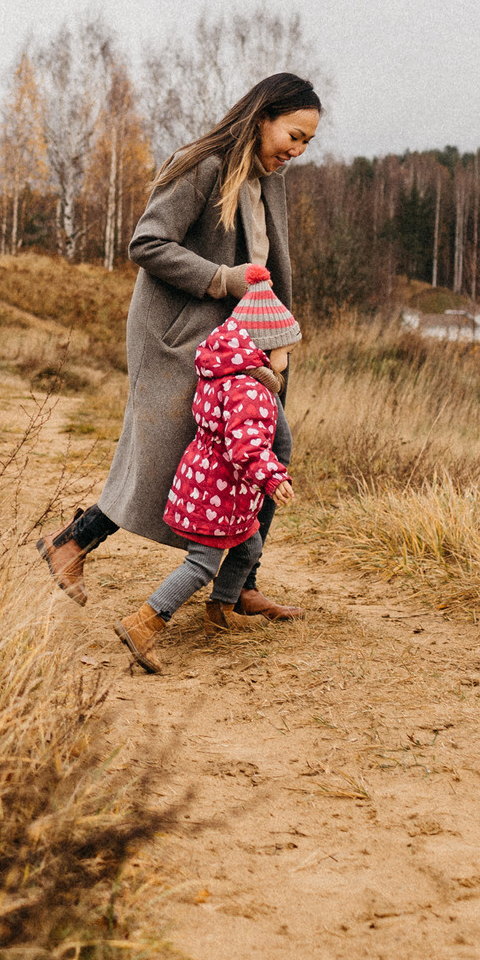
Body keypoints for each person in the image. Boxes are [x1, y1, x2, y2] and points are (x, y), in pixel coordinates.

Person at [34, 71, 320, 618]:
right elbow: (147, 242)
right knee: (169, 453)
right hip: (180, 334)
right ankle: (71, 542)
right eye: (294, 135)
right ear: (262, 118)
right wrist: (221, 279)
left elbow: (266, 263)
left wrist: (276, 327)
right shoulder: (203, 166)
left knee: (264, 445)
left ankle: (239, 585)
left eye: (308, 141)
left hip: (246, 338)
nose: (298, 150)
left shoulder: (270, 179)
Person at [114, 268, 300, 673]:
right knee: (201, 564)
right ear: (264, 350)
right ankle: (143, 623)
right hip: (219, 493)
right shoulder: (249, 389)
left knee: (248, 545)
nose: (287, 361)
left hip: (213, 487)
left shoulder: (223, 373)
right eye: (285, 351)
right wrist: (273, 477)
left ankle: (221, 609)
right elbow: (245, 446)